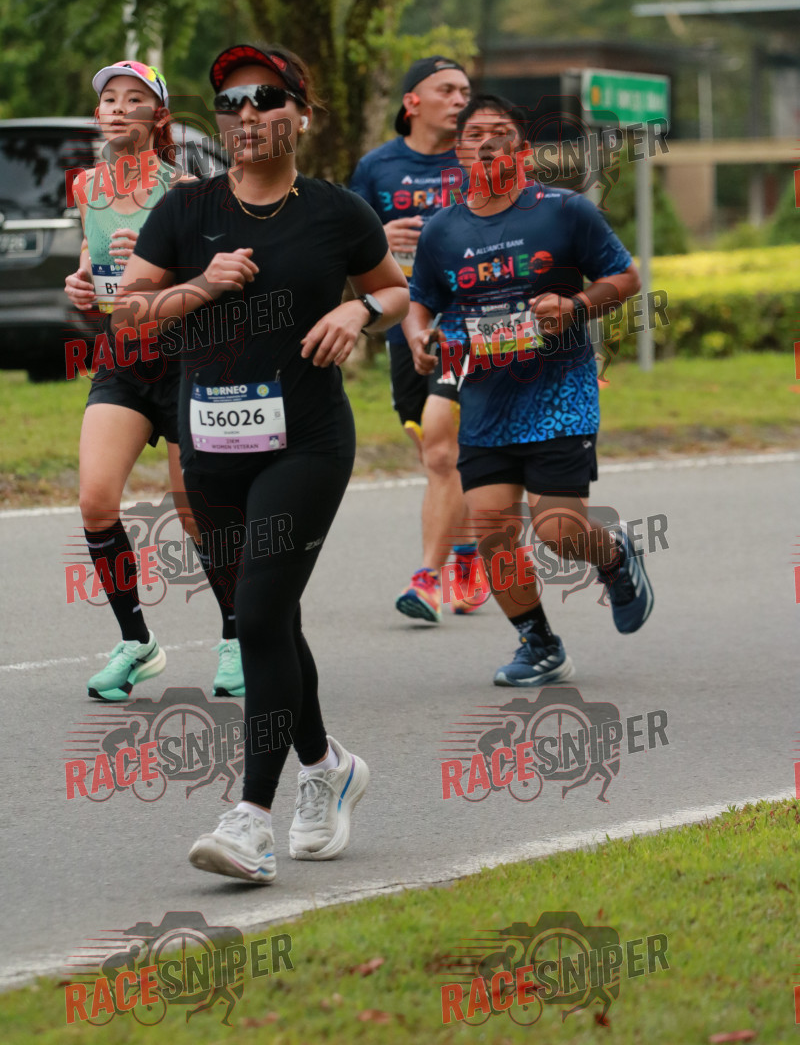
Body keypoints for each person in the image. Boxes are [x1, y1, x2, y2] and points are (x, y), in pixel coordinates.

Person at [114, 43, 409, 882]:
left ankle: (250, 818)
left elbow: (396, 291)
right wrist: (202, 286)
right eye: (232, 102)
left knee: (260, 610)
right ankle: (327, 768)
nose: (246, 114)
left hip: (306, 443)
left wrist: (359, 313)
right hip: (209, 448)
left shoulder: (337, 212)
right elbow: (129, 313)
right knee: (270, 618)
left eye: (266, 98)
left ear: (300, 115)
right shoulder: (186, 210)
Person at [404, 94, 654, 687]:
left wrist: (575, 305)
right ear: (459, 152)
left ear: (521, 148)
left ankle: (614, 554)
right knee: (493, 532)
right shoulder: (443, 230)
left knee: (558, 530)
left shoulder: (564, 211)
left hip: (559, 395)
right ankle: (538, 643)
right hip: (484, 401)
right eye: (474, 134)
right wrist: (418, 335)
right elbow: (421, 302)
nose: (487, 141)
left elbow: (626, 277)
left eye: (501, 131)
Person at [64, 60, 243, 701]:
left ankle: (237, 635)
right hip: (122, 358)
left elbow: (212, 279)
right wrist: (80, 283)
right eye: (109, 99)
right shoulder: (86, 185)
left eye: (133, 99)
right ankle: (137, 643)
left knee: (197, 514)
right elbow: (93, 270)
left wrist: (156, 268)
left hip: (187, 359)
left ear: (159, 116)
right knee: (95, 502)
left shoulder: (186, 189)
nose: (117, 108)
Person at [350, 56, 490, 621]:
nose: (460, 100)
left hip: (471, 324)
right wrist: (379, 237)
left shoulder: (479, 161)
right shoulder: (377, 167)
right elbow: (346, 249)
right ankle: (470, 550)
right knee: (438, 458)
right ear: (412, 102)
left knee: (442, 451)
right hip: (406, 327)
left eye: (465, 91)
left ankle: (429, 578)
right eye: (447, 90)